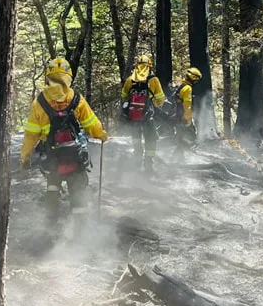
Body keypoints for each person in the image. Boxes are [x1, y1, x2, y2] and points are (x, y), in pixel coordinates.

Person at [20, 57, 107, 230]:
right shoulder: (76, 99)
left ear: (48, 77)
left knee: (52, 187)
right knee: (78, 191)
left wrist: (25, 157)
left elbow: (31, 134)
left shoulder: (39, 102)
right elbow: (91, 123)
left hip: (52, 157)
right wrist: (101, 134)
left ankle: (51, 226)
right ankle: (80, 230)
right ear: (69, 77)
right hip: (76, 157)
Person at [121, 54, 165, 169]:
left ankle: (137, 159)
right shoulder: (153, 80)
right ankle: (148, 163)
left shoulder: (130, 80)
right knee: (151, 138)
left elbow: (124, 96)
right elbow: (160, 98)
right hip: (148, 116)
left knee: (136, 138)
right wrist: (154, 105)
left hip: (133, 116)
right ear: (149, 66)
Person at [173, 67, 202, 158]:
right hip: (183, 115)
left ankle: (179, 155)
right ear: (193, 78)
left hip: (178, 114)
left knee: (180, 134)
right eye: (196, 80)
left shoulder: (181, 86)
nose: (196, 82)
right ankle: (187, 155)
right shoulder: (188, 88)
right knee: (191, 135)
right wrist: (188, 118)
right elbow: (187, 104)